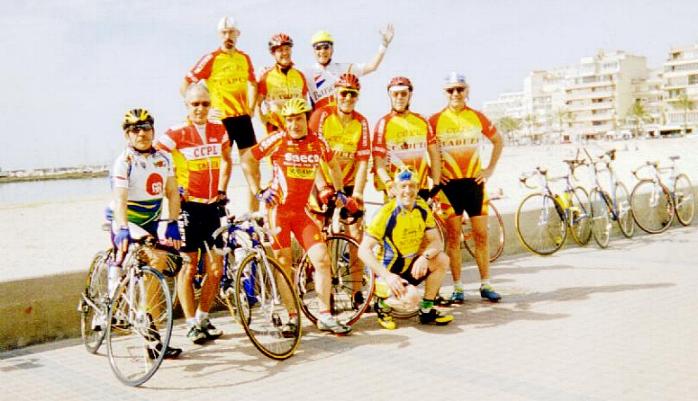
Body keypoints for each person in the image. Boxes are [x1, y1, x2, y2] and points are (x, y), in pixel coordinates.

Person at [242, 98, 356, 335]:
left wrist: (339, 193)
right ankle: (293, 317)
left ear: (306, 118)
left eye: (299, 118)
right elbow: (248, 159)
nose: (294, 124)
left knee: (322, 259)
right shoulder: (278, 139)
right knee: (284, 264)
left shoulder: (318, 142)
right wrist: (259, 190)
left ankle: (325, 315)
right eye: (290, 119)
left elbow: (333, 167)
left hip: (301, 211)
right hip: (278, 211)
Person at [155, 84, 232, 344]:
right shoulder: (175, 133)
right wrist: (173, 185)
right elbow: (154, 157)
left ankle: (202, 317)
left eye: (204, 104)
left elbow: (227, 160)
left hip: (212, 208)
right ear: (187, 106)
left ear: (210, 105)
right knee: (188, 266)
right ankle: (189, 322)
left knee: (216, 269)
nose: (200, 109)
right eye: (195, 104)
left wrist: (222, 188)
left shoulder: (219, 130)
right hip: (188, 208)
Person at [110, 108, 183, 358]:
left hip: (151, 221)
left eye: (146, 128)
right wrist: (122, 228)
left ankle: (146, 319)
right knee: (140, 257)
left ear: (153, 130)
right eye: (134, 130)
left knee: (166, 261)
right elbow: (120, 200)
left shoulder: (164, 158)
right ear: (126, 135)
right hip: (126, 218)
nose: (141, 133)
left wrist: (171, 221)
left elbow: (172, 193)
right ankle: (110, 307)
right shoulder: (124, 161)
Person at [428, 72, 504, 303]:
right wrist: (435, 177)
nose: (456, 94)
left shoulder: (477, 117)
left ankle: (485, 284)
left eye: (460, 89)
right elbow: (426, 154)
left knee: (481, 237)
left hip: (474, 185)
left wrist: (489, 169)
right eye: (451, 90)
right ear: (444, 93)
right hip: (449, 188)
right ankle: (458, 287)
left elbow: (498, 141)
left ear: (467, 91)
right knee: (453, 239)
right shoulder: (434, 121)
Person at [181, 16, 261, 211]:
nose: (228, 37)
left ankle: (254, 214)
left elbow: (253, 83)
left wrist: (250, 108)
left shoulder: (244, 58)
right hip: (220, 119)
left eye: (232, 32)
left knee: (252, 166)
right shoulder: (211, 58)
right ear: (219, 35)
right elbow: (185, 85)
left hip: (242, 119)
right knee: (222, 165)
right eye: (224, 33)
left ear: (238, 34)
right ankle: (218, 206)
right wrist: (201, 111)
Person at [358, 167, 454, 330]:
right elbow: (363, 250)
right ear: (394, 189)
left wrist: (425, 257)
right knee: (412, 297)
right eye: (403, 186)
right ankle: (382, 305)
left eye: (412, 186)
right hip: (384, 273)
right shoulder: (386, 213)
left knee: (442, 259)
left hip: (406, 268)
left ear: (417, 188)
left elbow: (437, 242)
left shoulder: (422, 207)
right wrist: (387, 276)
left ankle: (426, 310)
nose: (407, 191)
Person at [308, 72, 370, 306]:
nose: (347, 98)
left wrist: (359, 193)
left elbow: (363, 160)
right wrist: (323, 186)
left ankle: (356, 292)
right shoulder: (321, 115)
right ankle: (328, 294)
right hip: (322, 181)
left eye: (352, 95)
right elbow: (309, 155)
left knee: (356, 236)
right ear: (336, 94)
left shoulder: (361, 121)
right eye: (343, 93)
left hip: (349, 183)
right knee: (323, 239)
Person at [372, 76, 441, 199]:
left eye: (403, 94)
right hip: (396, 189)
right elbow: (378, 163)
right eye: (395, 94)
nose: (399, 97)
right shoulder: (383, 123)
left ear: (410, 96)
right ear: (390, 96)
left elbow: (434, 155)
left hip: (421, 187)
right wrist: (388, 183)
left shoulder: (422, 120)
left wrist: (436, 184)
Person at [306, 25, 395, 110]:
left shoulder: (343, 69)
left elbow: (372, 67)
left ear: (332, 49)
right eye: (318, 48)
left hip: (339, 119)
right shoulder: (307, 74)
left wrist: (384, 45)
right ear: (313, 51)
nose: (322, 51)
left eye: (326, 47)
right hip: (319, 120)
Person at [255, 33, 309, 134]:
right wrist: (264, 120)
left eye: (287, 49)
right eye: (280, 50)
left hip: (296, 129)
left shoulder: (300, 75)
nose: (284, 53)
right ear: (273, 54)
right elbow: (257, 104)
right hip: (275, 129)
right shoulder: (266, 76)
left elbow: (305, 105)